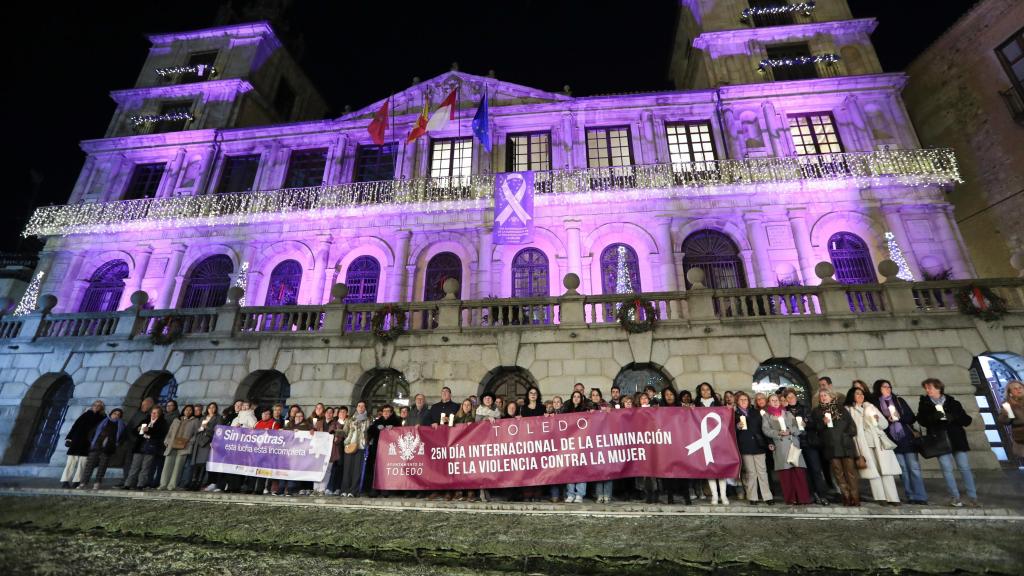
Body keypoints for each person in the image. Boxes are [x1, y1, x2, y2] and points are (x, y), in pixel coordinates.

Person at [918, 378, 978, 507]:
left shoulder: (953, 402)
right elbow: (921, 420)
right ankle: (955, 497)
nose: (927, 390)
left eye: (930, 387)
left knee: (964, 468)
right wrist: (933, 417)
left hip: (956, 438)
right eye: (926, 388)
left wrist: (953, 416)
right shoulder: (924, 403)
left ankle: (973, 497)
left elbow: (967, 420)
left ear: (939, 388)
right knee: (946, 469)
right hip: (939, 440)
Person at [872, 379, 927, 504]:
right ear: (878, 389)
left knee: (914, 468)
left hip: (907, 438)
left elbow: (911, 418)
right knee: (903, 469)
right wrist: (888, 419)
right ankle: (910, 495)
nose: (888, 389)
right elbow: (877, 423)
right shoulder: (876, 404)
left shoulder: (898, 401)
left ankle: (921, 496)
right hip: (893, 440)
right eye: (884, 387)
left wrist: (899, 417)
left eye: (889, 386)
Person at [846, 386, 901, 505]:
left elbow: (884, 424)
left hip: (878, 440)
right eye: (857, 394)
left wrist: (877, 419)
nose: (861, 396)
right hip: (863, 442)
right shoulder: (850, 410)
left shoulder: (870, 406)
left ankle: (893, 498)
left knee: (885, 469)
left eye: (862, 394)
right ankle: (880, 497)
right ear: (852, 396)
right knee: (872, 470)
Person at [812, 389, 860, 506]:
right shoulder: (817, 411)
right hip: (831, 446)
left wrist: (846, 435)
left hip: (845, 445)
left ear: (832, 397)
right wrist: (823, 423)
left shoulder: (841, 408)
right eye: (821, 396)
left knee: (850, 473)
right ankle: (846, 496)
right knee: (838, 474)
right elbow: (816, 429)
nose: (823, 397)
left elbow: (852, 426)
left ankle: (855, 497)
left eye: (826, 395)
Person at [762, 394, 811, 505]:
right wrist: (778, 433)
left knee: (798, 472)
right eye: (772, 400)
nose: (775, 402)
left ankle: (803, 498)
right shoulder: (767, 416)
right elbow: (766, 430)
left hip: (793, 445)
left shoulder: (788, 414)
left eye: (776, 400)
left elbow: (798, 428)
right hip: (780, 446)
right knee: (786, 475)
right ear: (769, 403)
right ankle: (791, 498)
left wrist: (790, 431)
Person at [784, 390, 829, 505]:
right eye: (788, 397)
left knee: (815, 469)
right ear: (785, 399)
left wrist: (806, 424)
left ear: (796, 397)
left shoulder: (805, 408)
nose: (791, 398)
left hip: (809, 442)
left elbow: (815, 424)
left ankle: (822, 495)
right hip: (795, 444)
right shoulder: (784, 411)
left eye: (792, 396)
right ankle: (809, 494)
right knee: (802, 472)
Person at [735, 392, 772, 505]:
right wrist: (737, 427)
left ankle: (767, 496)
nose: (743, 401)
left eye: (745, 399)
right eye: (741, 400)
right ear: (737, 402)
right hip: (745, 446)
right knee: (751, 473)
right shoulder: (734, 415)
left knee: (762, 471)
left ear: (749, 401)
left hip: (758, 445)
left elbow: (764, 429)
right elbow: (730, 431)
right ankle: (752, 496)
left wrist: (769, 442)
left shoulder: (756, 412)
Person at [61, 400, 106, 489]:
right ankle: (65, 481)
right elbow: (75, 426)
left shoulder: (102, 418)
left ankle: (77, 481)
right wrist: (69, 438)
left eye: (99, 406)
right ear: (92, 406)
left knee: (83, 463)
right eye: (95, 405)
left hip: (88, 442)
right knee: (71, 462)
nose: (97, 407)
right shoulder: (85, 415)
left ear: (102, 408)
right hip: (77, 440)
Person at [78, 408, 126, 490]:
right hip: (96, 445)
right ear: (111, 413)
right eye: (115, 413)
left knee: (102, 466)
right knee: (90, 465)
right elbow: (93, 432)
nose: (116, 415)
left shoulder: (121, 425)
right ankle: (83, 483)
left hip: (108, 447)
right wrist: (92, 441)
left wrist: (116, 444)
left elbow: (122, 437)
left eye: (118, 414)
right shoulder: (103, 421)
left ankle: (97, 483)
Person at [123, 406, 167, 490]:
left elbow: (161, 435)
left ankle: (140, 484)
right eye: (152, 412)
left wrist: (149, 431)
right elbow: (135, 432)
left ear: (159, 414)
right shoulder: (145, 420)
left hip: (151, 447)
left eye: (156, 413)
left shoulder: (162, 423)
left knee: (145, 467)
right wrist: (138, 429)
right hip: (140, 446)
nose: (153, 414)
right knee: (135, 466)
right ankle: (128, 484)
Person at [116, 397, 154, 487]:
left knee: (136, 463)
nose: (145, 406)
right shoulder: (136, 413)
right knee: (127, 462)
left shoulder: (148, 416)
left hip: (137, 442)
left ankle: (132, 481)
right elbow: (129, 425)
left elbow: (142, 430)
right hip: (128, 441)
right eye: (144, 404)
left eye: (148, 404)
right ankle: (126, 479)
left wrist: (137, 437)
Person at [159, 404, 198, 491]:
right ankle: (163, 484)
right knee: (167, 465)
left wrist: (190, 442)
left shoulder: (195, 421)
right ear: (183, 410)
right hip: (172, 445)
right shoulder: (176, 420)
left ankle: (172, 485)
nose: (188, 411)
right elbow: (170, 431)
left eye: (190, 410)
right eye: (186, 410)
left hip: (184, 446)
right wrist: (167, 441)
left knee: (178, 467)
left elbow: (196, 434)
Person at [366, 404, 401, 498]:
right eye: (384, 411)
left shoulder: (396, 421)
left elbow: (401, 433)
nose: (385, 413)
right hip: (377, 449)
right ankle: (374, 489)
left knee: (387, 470)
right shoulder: (377, 421)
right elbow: (370, 432)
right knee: (376, 469)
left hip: (390, 450)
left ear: (391, 412)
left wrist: (394, 428)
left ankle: (385, 489)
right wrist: (376, 428)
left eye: (388, 411)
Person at [562, 390, 589, 503]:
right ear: (572, 398)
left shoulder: (585, 410)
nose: (576, 398)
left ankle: (580, 494)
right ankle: (570, 494)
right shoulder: (566, 410)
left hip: (582, 443)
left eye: (579, 397)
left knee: (581, 468)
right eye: (575, 396)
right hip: (570, 443)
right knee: (570, 469)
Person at [340, 402, 370, 498]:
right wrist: (336, 432)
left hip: (360, 447)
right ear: (356, 407)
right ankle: (344, 490)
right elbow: (344, 432)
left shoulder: (368, 420)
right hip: (350, 446)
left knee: (357, 470)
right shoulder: (349, 419)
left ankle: (353, 491)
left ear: (365, 408)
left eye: (363, 406)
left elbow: (369, 433)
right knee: (347, 469)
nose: (361, 407)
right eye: (359, 406)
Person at [282, 410, 314, 496]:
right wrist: (292, 430)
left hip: (300, 452)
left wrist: (312, 430)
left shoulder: (307, 425)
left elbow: (312, 430)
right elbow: (284, 432)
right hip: (289, 451)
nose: (299, 418)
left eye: (301, 416)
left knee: (296, 470)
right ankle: (283, 489)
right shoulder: (289, 424)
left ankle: (293, 489)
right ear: (294, 417)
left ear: (303, 417)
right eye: (297, 416)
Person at [192, 402, 221, 491]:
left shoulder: (218, 418)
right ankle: (194, 483)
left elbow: (218, 431)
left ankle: (201, 482)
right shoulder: (203, 418)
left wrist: (207, 427)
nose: (211, 409)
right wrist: (201, 428)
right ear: (207, 409)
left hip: (208, 442)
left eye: (213, 407)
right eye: (209, 407)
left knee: (204, 463)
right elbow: (197, 430)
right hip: (199, 442)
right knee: (196, 464)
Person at [252, 408, 281, 495]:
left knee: (262, 471)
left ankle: (260, 489)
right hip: (256, 451)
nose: (265, 415)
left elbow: (276, 437)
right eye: (263, 414)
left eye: (267, 414)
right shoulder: (257, 423)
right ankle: (250, 488)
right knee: (253, 470)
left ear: (270, 415)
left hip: (267, 452)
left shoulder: (274, 424)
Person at [997, 380, 1024, 465]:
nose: (1018, 390)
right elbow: (1006, 421)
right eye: (1015, 388)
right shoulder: (1007, 405)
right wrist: (1005, 414)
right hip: (1022, 437)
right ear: (1010, 392)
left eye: (1020, 387)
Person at [327, 406, 349, 496]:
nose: (342, 413)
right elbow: (331, 431)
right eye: (341, 412)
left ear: (346, 414)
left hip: (346, 449)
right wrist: (339, 432)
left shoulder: (349, 423)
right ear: (338, 413)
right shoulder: (334, 423)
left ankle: (338, 488)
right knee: (334, 469)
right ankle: (330, 487)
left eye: (344, 412)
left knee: (341, 469)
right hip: (336, 449)